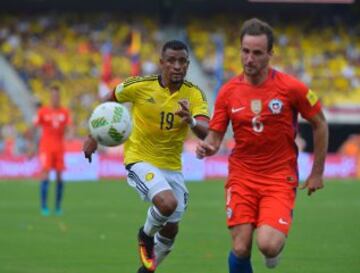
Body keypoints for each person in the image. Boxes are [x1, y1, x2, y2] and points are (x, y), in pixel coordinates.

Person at [196, 18, 328, 273]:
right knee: (241, 248)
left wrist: (317, 172)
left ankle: (276, 237)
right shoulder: (228, 91)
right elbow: (214, 137)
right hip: (242, 176)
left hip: (279, 177)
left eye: (257, 53)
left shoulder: (291, 88)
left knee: (268, 244)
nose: (249, 59)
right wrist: (207, 147)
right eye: (245, 51)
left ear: (270, 54)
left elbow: (320, 124)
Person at [83, 40, 209, 273]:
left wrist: (190, 119)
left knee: (171, 229)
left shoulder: (193, 94)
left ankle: (145, 271)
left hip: (172, 166)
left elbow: (205, 129)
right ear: (162, 63)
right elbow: (110, 99)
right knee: (167, 203)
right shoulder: (140, 86)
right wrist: (93, 135)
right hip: (140, 158)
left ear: (188, 64)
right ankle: (145, 234)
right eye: (171, 60)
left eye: (182, 61)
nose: (177, 66)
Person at [31, 85, 71, 216]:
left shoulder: (64, 112)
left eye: (57, 96)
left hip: (59, 147)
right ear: (50, 97)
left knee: (59, 177)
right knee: (45, 175)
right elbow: (34, 127)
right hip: (46, 147)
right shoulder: (43, 112)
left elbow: (68, 128)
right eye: (53, 95)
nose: (55, 98)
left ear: (59, 97)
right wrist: (33, 145)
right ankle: (44, 206)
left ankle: (58, 207)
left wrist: (69, 133)